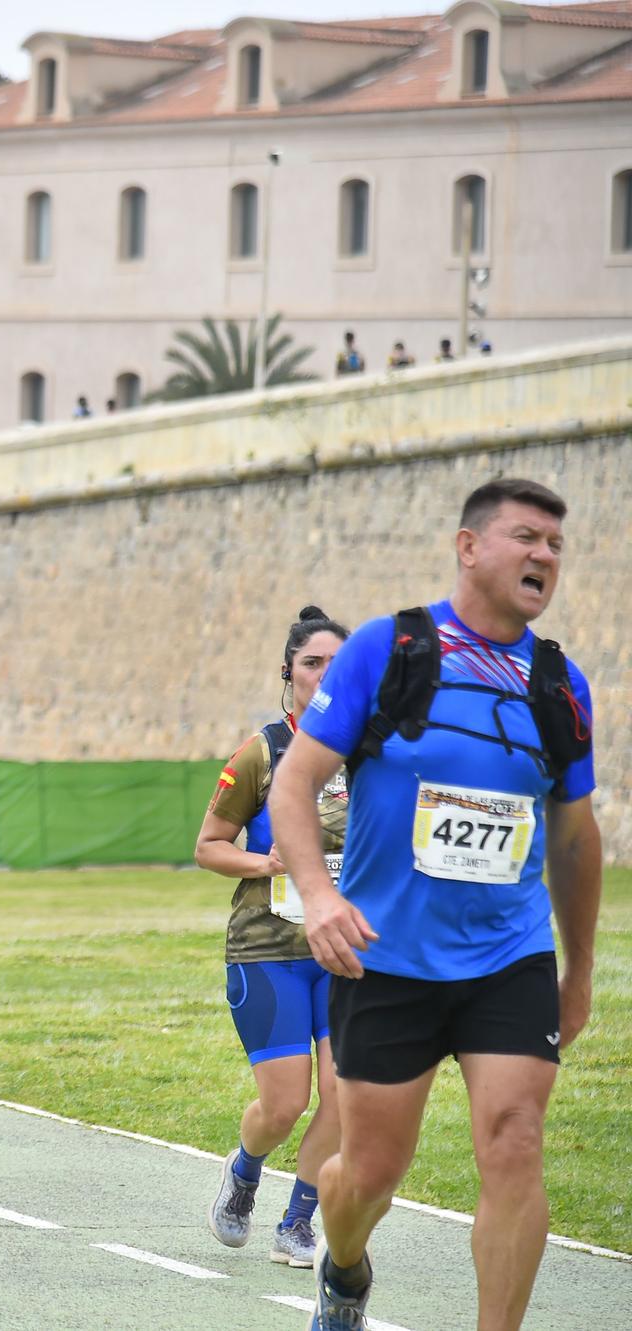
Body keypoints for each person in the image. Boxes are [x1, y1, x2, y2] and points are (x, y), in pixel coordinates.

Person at [269, 479, 599, 1331]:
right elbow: (294, 781)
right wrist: (318, 894)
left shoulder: (560, 687)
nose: (544, 557)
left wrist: (579, 967)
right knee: (364, 1175)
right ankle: (343, 1267)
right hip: (387, 954)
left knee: (516, 1142)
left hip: (509, 954)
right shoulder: (390, 649)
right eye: (527, 537)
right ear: (468, 546)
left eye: (556, 545)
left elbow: (571, 837)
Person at [195, 607, 351, 1269]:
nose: (323, 675)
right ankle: (245, 1170)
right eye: (312, 662)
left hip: (343, 951)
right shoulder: (263, 751)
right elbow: (207, 846)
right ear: (288, 672)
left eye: (337, 665)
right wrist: (268, 863)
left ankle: (297, 1222)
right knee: (285, 1101)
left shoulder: (370, 754)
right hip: (268, 950)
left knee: (346, 1094)